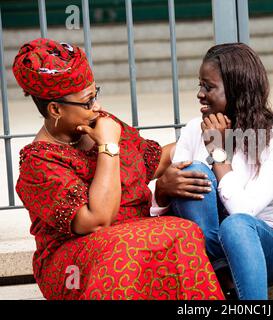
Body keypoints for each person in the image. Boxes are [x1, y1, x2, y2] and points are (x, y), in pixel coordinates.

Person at [12, 38, 224, 300]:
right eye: (87, 102)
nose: (97, 107)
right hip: (71, 264)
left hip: (134, 236)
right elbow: (97, 221)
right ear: (55, 109)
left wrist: (208, 135)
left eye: (95, 95)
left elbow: (152, 161)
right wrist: (108, 147)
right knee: (124, 247)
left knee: (184, 232)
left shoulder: (102, 123)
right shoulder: (39, 163)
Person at [155, 43, 273, 300]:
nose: (200, 94)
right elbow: (163, 210)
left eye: (209, 87)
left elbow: (244, 213)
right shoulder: (193, 129)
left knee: (236, 226)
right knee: (194, 171)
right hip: (208, 250)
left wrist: (219, 153)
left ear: (237, 91)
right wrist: (162, 191)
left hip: (266, 251)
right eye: (200, 85)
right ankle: (219, 272)